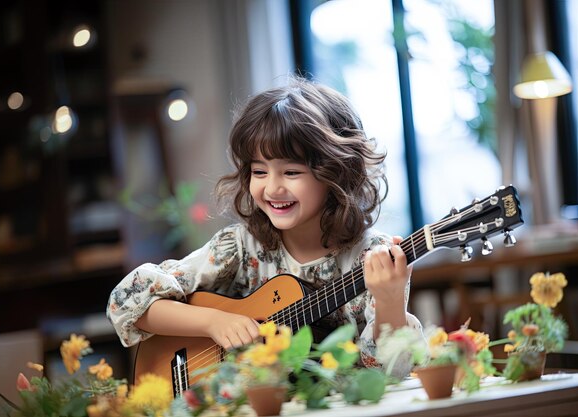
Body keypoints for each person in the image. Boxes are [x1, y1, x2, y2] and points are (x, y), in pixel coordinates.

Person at [107, 76, 422, 376]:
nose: (272, 188)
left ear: (335, 173)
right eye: (259, 172)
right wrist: (213, 322)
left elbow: (389, 374)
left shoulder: (374, 259)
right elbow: (127, 301)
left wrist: (391, 302)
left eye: (291, 173)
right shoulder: (241, 247)